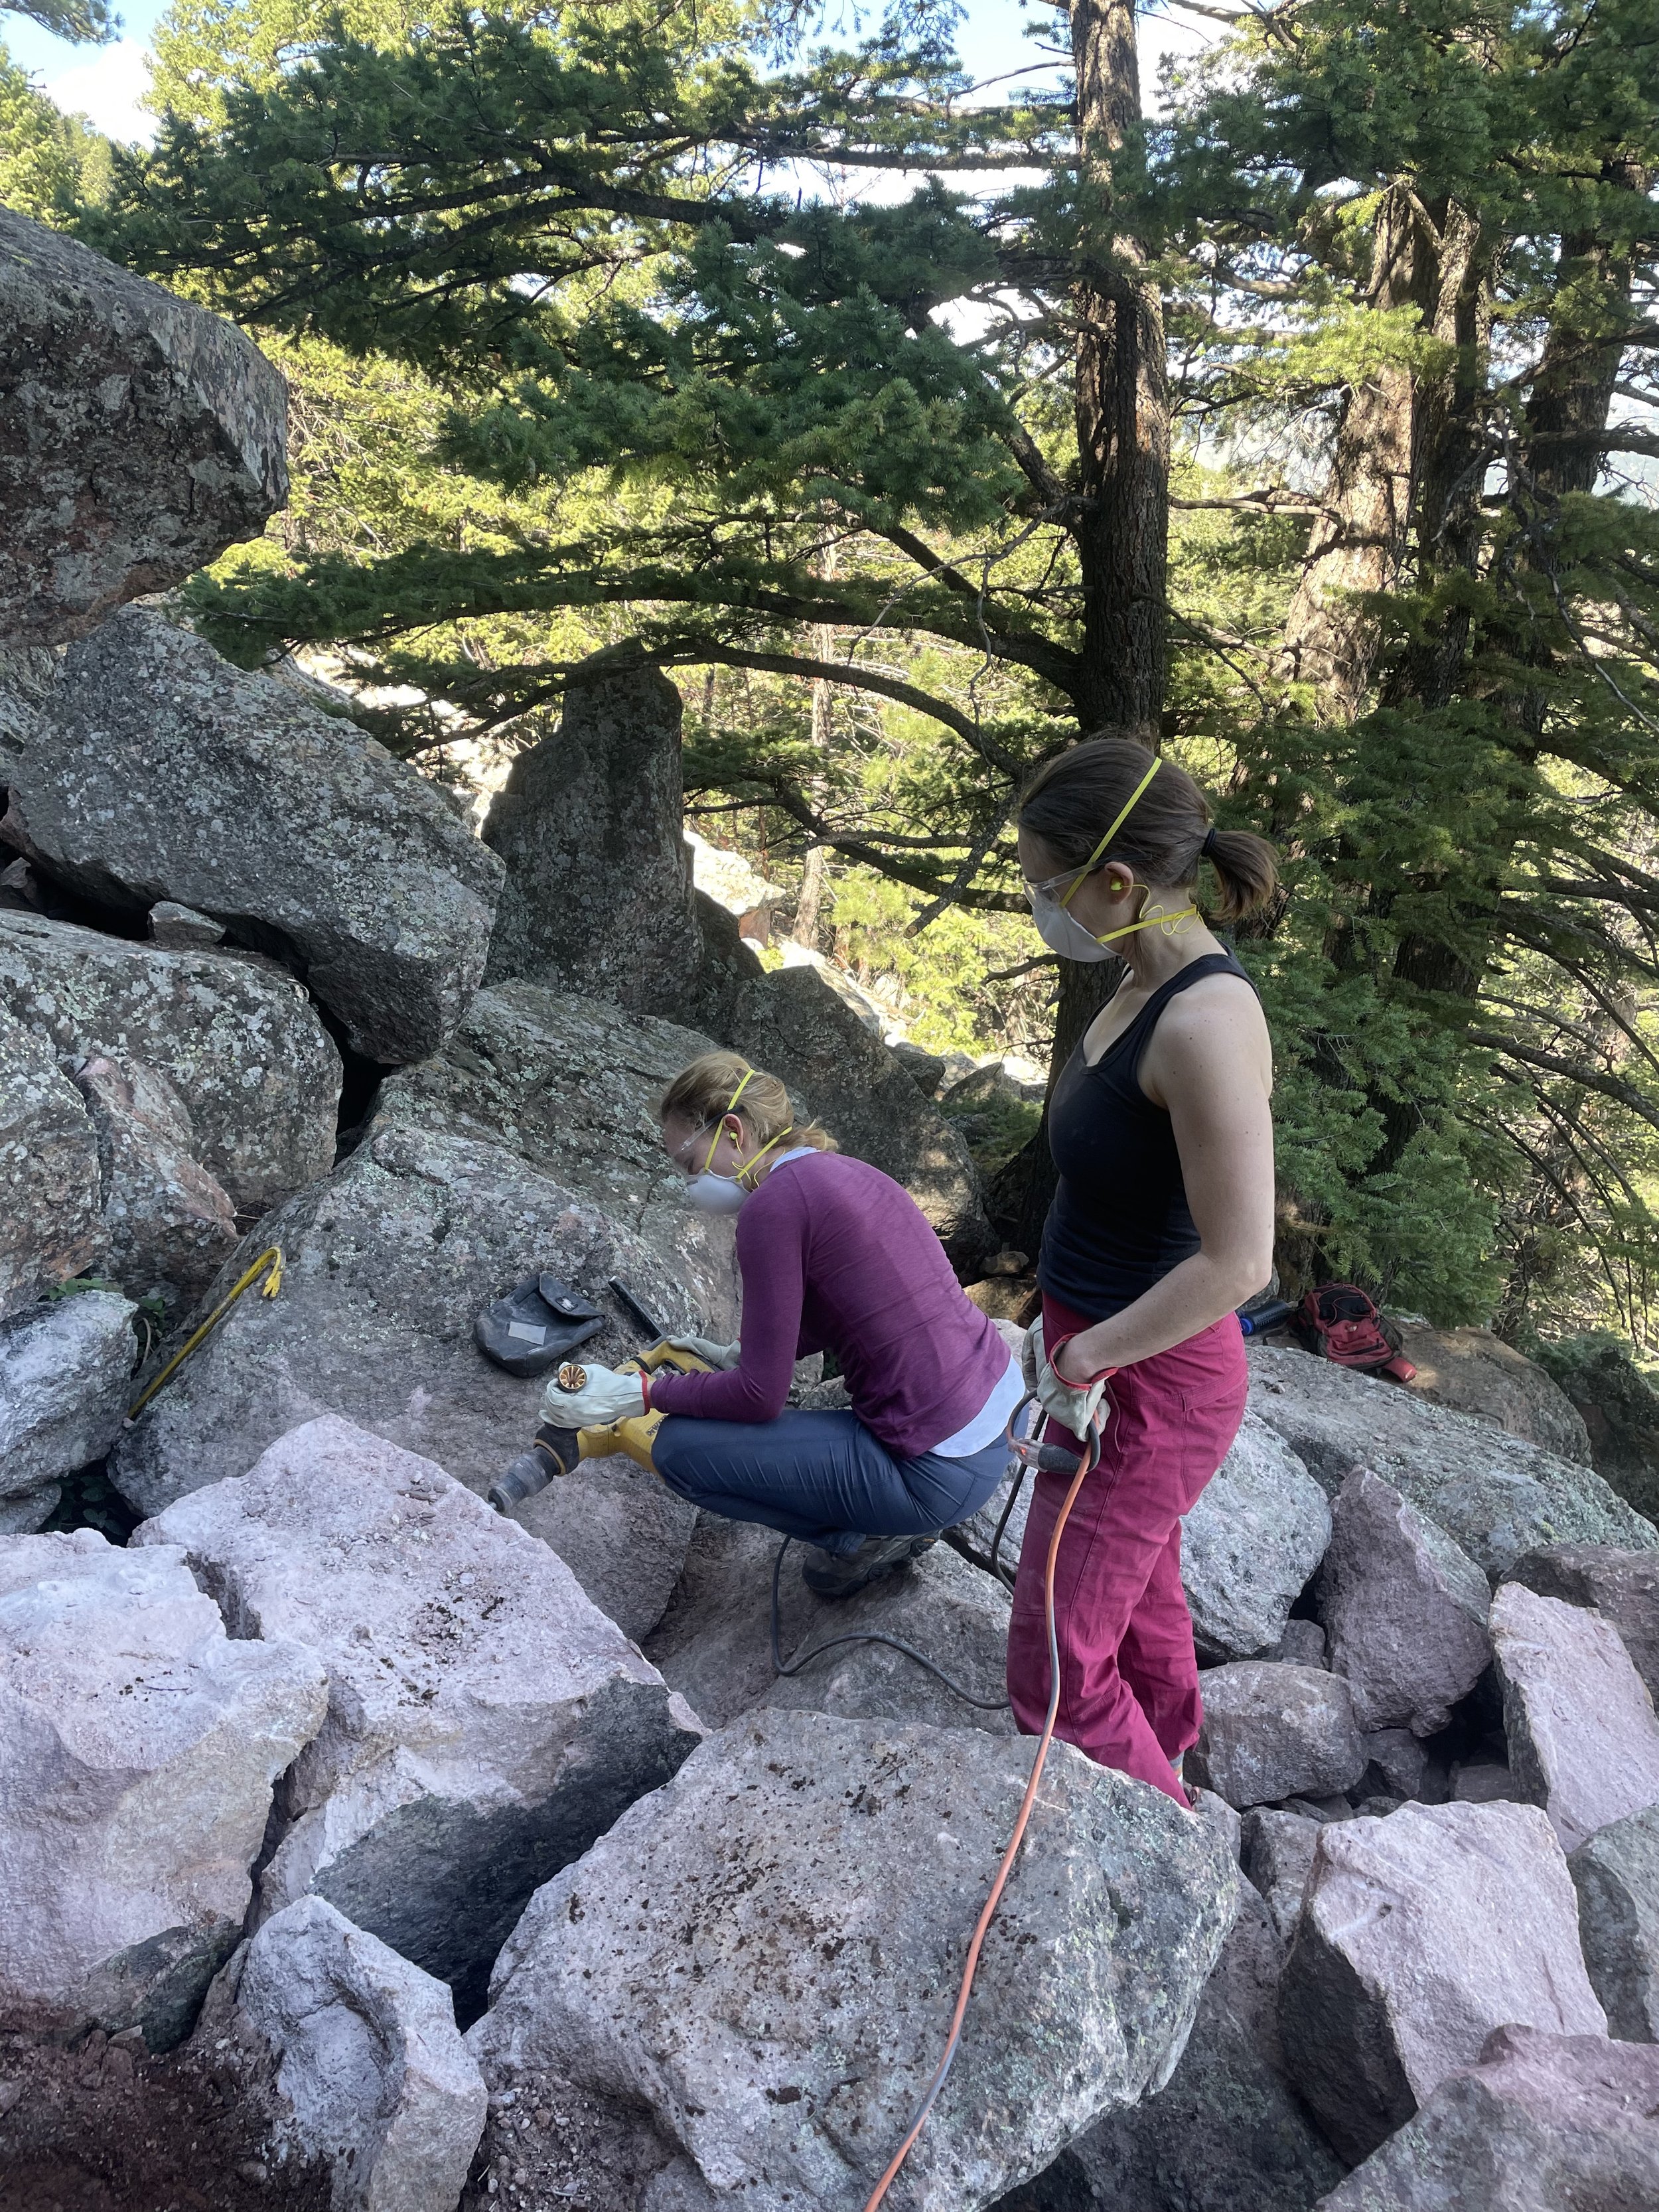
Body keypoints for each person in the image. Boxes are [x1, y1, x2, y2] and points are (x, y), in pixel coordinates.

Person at [1011, 737, 1278, 1806]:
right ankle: (1168, 1756)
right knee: (1140, 1595)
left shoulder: (1207, 1022)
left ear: (1116, 882)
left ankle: (1161, 1851)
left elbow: (1241, 1259)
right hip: (1101, 1353)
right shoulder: (1134, 978)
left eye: (1047, 884)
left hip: (1150, 1382)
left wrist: (1088, 1356)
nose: (1040, 904)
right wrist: (1061, 1329)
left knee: (1055, 1664)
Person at [545, 1052, 1023, 1597]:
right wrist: (735, 1352)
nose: (688, 1183)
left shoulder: (771, 1207)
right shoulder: (841, 1170)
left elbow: (759, 1396)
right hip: (995, 1422)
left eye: (689, 1161)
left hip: (934, 1470)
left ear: (732, 1131)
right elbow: (846, 1310)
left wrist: (638, 1393)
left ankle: (865, 1537)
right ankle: (886, 1516)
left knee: (679, 1450)